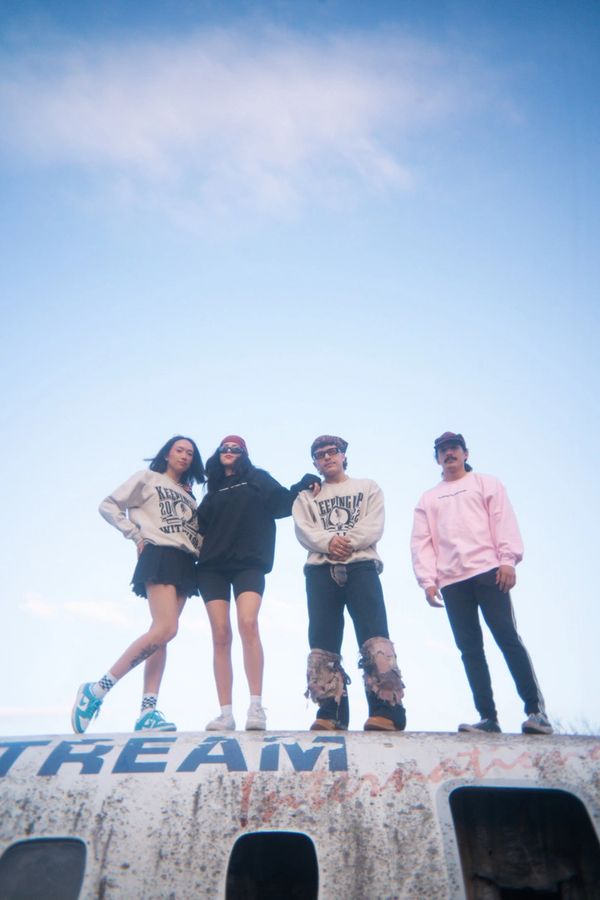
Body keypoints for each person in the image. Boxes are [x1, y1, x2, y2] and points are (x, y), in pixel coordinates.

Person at [410, 431, 552, 735]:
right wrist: (428, 580)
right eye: (443, 450)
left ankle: (536, 711)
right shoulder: (429, 498)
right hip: (452, 580)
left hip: (489, 570)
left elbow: (502, 519)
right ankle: (488, 718)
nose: (449, 454)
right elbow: (422, 541)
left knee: (506, 637)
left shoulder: (486, 483)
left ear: (465, 453)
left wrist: (507, 560)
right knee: (469, 649)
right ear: (436, 458)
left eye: (454, 449)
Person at [71, 435, 205, 734]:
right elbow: (108, 505)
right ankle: (97, 689)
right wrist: (134, 534)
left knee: (161, 636)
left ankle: (148, 712)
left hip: (186, 561)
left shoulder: (189, 494)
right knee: (166, 628)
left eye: (190, 453)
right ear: (168, 454)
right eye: (179, 450)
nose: (184, 456)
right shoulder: (148, 479)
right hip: (159, 553)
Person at [196, 435, 319, 732]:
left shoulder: (257, 479)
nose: (229, 451)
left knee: (248, 623)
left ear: (244, 454)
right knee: (220, 634)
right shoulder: (211, 490)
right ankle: (225, 713)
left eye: (235, 448)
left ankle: (255, 706)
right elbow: (196, 528)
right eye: (224, 448)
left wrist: (305, 482)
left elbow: (282, 503)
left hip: (249, 564)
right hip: (212, 567)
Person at [292, 435, 406, 732]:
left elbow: (374, 524)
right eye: (320, 455)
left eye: (333, 452)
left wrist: (346, 543)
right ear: (315, 462)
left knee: (374, 636)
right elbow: (304, 529)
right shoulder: (307, 496)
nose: (327, 457)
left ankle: (387, 709)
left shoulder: (367, 487)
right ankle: (331, 711)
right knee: (323, 641)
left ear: (343, 455)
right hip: (320, 569)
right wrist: (329, 543)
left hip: (361, 566)